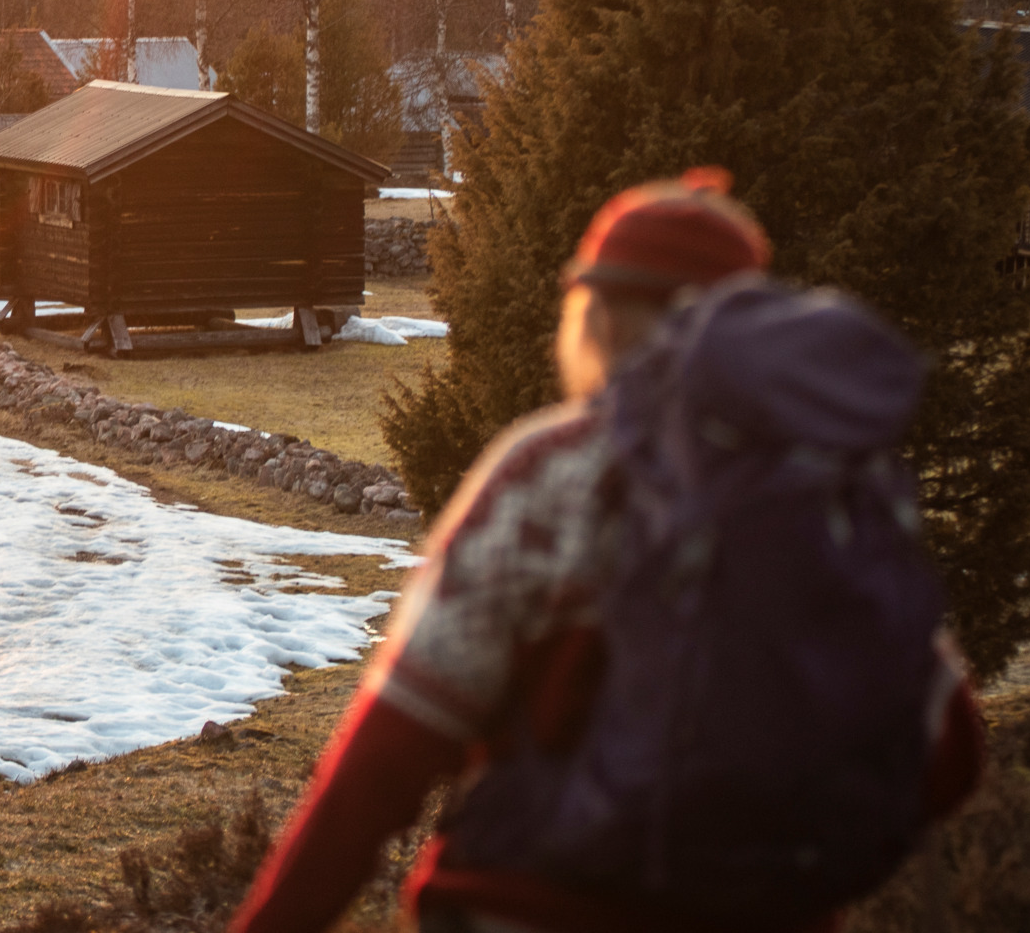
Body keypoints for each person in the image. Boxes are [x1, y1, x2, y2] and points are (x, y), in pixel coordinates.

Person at [230, 170, 985, 933]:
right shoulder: (834, 496)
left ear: (594, 314)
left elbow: (391, 749)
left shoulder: (557, 473)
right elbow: (949, 750)